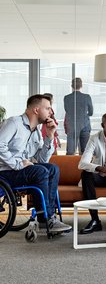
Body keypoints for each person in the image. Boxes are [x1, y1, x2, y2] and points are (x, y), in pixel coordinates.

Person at [0, 94, 72, 232]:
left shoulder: (37, 132)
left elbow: (42, 160)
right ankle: (45, 218)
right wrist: (18, 164)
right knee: (40, 171)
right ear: (36, 110)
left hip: (19, 171)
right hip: (5, 172)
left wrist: (49, 137)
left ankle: (50, 217)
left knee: (52, 169)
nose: (51, 112)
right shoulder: (14, 123)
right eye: (48, 108)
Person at [64, 77, 93, 155]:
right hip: (85, 125)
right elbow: (91, 112)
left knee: (70, 152)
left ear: (71, 86)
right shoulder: (87, 97)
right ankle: (84, 167)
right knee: (85, 152)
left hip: (72, 126)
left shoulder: (67, 98)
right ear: (81, 85)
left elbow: (67, 111)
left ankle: (70, 167)